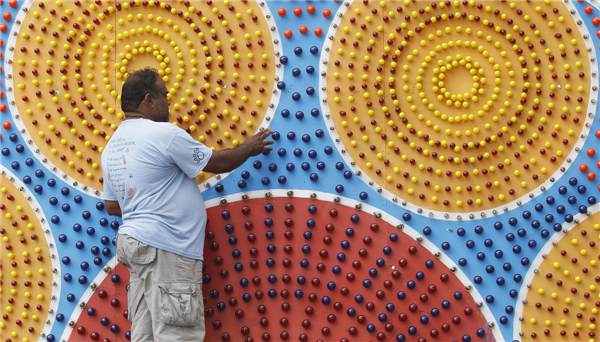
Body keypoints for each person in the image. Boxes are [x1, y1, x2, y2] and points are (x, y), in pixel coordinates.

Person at [100, 67, 273, 342]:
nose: (169, 102)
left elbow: (112, 205)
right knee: (177, 335)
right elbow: (219, 162)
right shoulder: (163, 134)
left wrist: (149, 202)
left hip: (135, 245)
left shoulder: (112, 146)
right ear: (149, 100)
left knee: (145, 336)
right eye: (164, 96)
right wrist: (249, 148)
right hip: (166, 248)